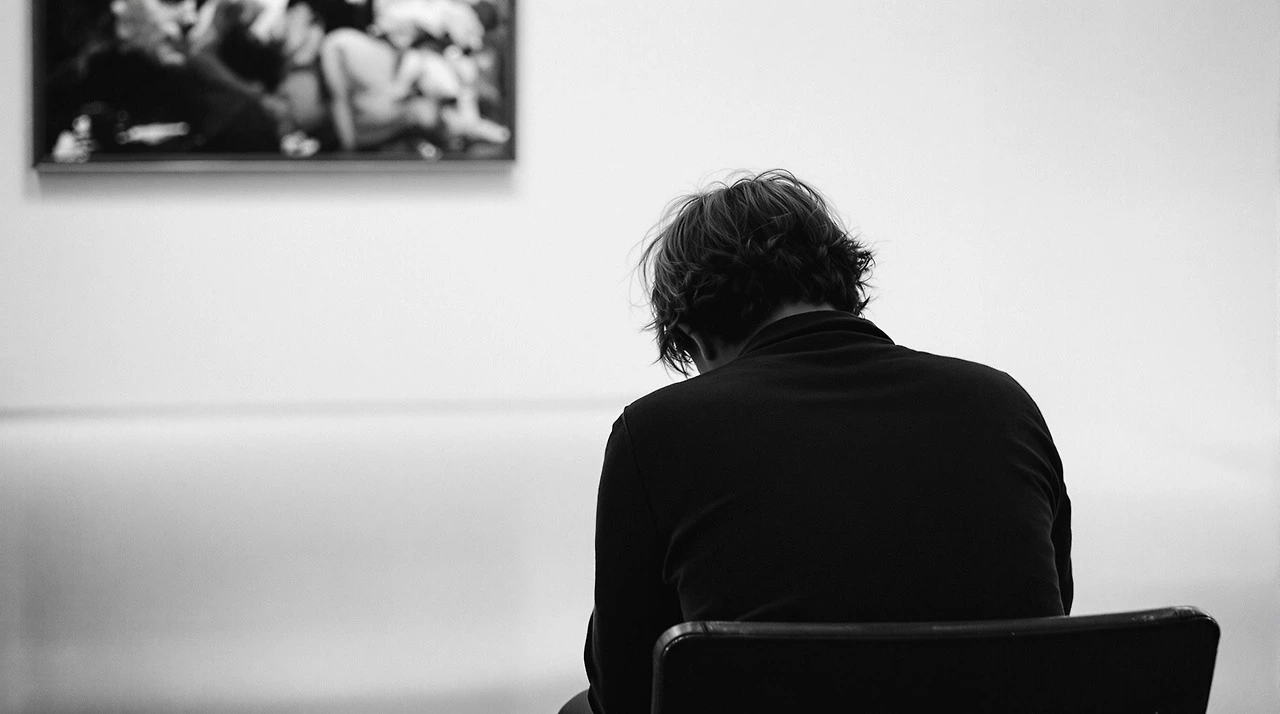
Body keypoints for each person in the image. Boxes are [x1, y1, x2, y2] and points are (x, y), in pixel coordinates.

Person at [562, 170, 1072, 714]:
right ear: (843, 285)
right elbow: (1053, 620)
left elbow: (624, 692)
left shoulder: (656, 431)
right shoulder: (1001, 403)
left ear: (693, 337)